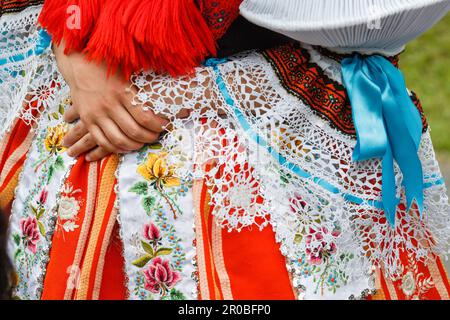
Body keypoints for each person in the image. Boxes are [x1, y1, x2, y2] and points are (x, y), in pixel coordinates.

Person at [1, 0, 449, 300]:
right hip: (88, 155)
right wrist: (72, 48)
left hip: (260, 169)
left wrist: (191, 94)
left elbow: (366, 21)